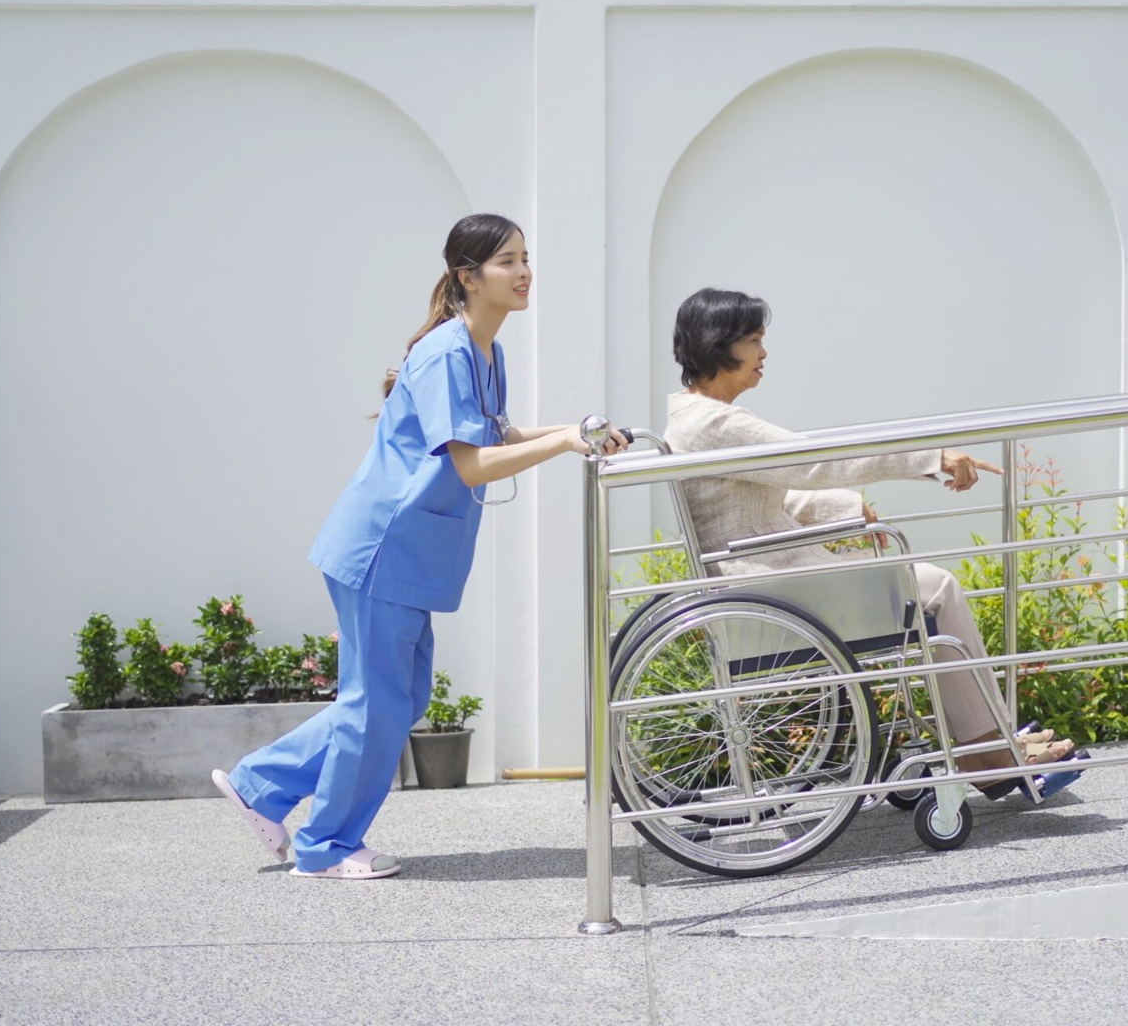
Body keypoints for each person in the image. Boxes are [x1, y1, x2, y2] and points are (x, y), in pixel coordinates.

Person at [211, 214, 628, 880]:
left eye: (526, 259)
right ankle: (325, 847)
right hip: (382, 549)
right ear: (468, 276)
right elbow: (469, 463)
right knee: (375, 703)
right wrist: (560, 445)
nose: (524, 273)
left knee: (399, 701)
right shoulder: (444, 353)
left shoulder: (485, 349)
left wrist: (574, 429)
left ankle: (262, 785)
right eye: (507, 262)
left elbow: (500, 430)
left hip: (409, 555)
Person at [663, 287, 1080, 802]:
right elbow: (812, 461)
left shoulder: (696, 419)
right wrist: (929, 458)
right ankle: (987, 752)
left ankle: (990, 740)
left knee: (925, 585)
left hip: (767, 583)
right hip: (772, 590)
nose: (764, 353)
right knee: (936, 588)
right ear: (719, 344)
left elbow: (758, 495)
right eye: (754, 340)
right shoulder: (715, 422)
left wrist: (846, 507)